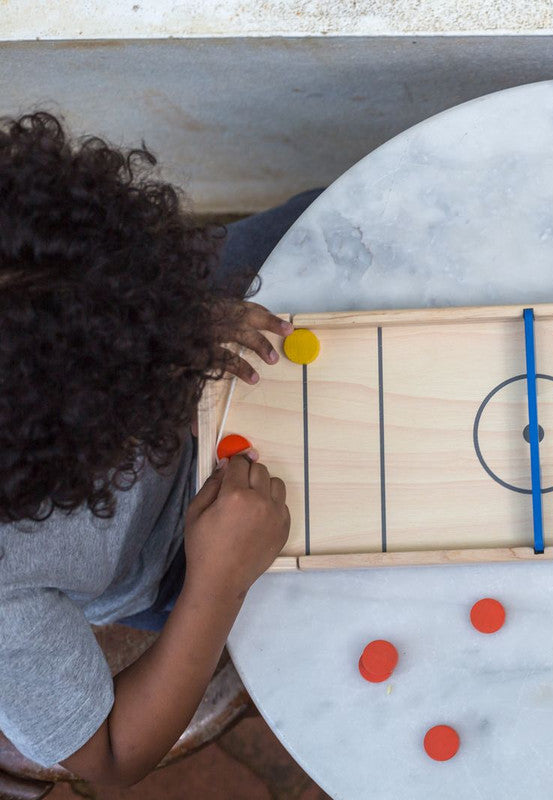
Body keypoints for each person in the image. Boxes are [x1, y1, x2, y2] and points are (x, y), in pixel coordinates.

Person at [0, 111, 318, 784]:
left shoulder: (82, 291)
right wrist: (218, 579)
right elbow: (112, 761)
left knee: (333, 220)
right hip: (183, 555)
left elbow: (90, 301)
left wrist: (175, 314)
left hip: (163, 313)